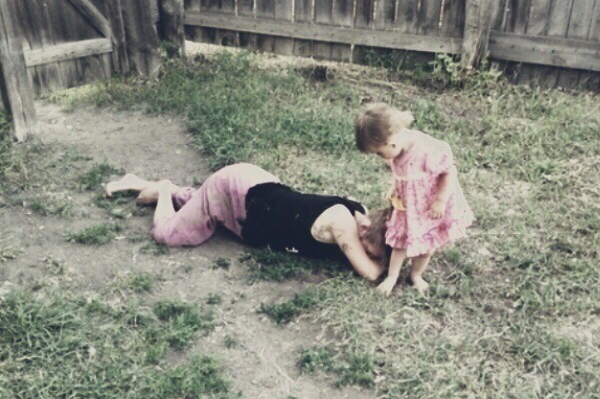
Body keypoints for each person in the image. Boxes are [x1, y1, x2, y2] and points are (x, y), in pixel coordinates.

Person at [105, 162, 389, 282]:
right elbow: (372, 273)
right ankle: (164, 189)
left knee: (199, 204)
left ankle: (137, 182)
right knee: (168, 235)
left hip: (256, 192)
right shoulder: (344, 224)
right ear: (366, 230)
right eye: (376, 250)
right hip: (238, 193)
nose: (375, 255)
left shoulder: (362, 212)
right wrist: (393, 267)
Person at [356, 103, 474, 296]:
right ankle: (392, 277)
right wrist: (394, 187)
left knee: (427, 248)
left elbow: (449, 172)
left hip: (429, 208)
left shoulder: (427, 150)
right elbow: (400, 173)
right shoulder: (396, 151)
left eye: (379, 152)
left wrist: (440, 201)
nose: (380, 157)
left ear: (391, 140)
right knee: (400, 243)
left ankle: (416, 275)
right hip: (408, 207)